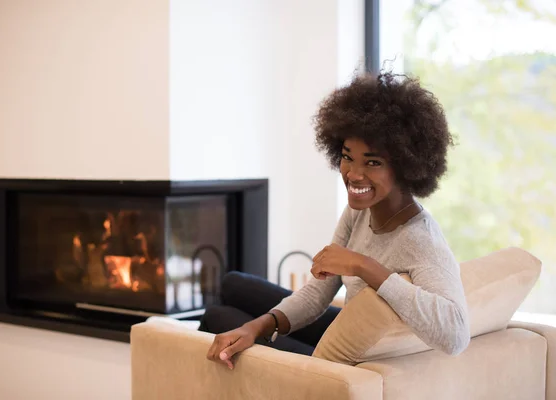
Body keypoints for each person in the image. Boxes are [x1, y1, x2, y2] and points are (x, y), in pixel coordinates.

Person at [199, 71, 471, 370]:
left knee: (218, 317)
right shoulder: (360, 210)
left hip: (345, 363)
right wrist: (259, 326)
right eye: (347, 157)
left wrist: (364, 266)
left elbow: (456, 335)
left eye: (373, 162)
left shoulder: (421, 242)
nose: (354, 174)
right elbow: (318, 293)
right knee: (233, 284)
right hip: (343, 328)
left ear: (408, 166)